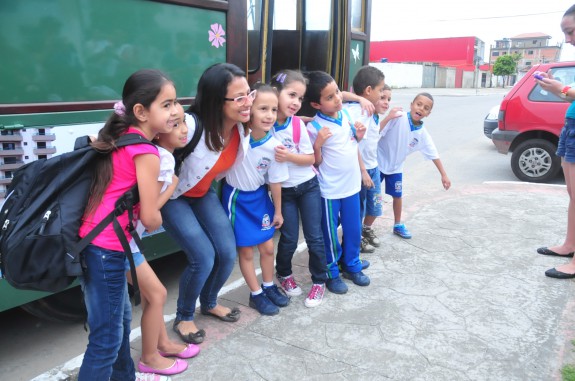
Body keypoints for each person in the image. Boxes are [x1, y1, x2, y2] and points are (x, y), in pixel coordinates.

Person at [78, 69, 178, 381]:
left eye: (176, 103)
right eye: (167, 104)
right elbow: (149, 217)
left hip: (96, 243)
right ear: (140, 112)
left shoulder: (120, 138)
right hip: (107, 248)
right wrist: (167, 194)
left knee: (118, 325)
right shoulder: (146, 152)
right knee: (106, 340)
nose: (176, 111)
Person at [161, 63, 252, 344]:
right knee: (202, 257)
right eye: (239, 98)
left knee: (226, 252)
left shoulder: (241, 128)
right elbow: (148, 138)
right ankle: (184, 317)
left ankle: (209, 302)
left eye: (249, 93)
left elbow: (283, 107)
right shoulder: (189, 126)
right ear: (216, 100)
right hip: (173, 197)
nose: (248, 102)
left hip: (203, 194)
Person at [127, 104, 199, 377]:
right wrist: (171, 186)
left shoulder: (148, 151)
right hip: (122, 242)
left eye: (184, 124)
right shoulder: (162, 158)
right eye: (177, 124)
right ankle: (148, 357)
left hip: (124, 240)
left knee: (150, 295)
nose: (184, 131)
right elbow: (150, 213)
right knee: (157, 294)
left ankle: (163, 343)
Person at [221, 84, 290, 315]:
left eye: (273, 109)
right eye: (262, 108)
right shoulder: (236, 136)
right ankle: (256, 294)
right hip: (237, 199)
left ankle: (269, 286)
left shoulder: (275, 147)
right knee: (247, 251)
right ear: (249, 109)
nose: (269, 115)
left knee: (268, 247)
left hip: (260, 199)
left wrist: (278, 211)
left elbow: (276, 181)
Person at [305, 70, 369, 295]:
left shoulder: (348, 116)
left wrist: (359, 138)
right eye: (330, 97)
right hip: (329, 191)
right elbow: (316, 162)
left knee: (353, 228)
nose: (337, 99)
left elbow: (353, 145)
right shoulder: (314, 128)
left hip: (352, 186)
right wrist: (318, 144)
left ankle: (351, 264)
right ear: (316, 104)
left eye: (337, 93)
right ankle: (331, 271)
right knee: (330, 234)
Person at [270, 70, 330, 308]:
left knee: (315, 238)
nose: (295, 102)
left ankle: (319, 281)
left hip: (308, 187)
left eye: (300, 98)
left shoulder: (296, 125)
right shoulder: (264, 124)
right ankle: (283, 274)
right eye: (291, 95)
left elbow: (310, 160)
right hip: (284, 192)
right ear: (275, 93)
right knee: (289, 239)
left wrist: (289, 156)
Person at [535, 4, 575, 278]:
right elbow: (570, 95)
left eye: (570, 32)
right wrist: (556, 87)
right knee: (573, 195)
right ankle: (569, 245)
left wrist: (560, 89)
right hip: (571, 125)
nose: (569, 39)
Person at [377, 92, 451, 240]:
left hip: (396, 168)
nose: (421, 109)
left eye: (426, 108)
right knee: (372, 196)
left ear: (428, 113)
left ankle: (397, 224)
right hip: (378, 163)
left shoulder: (422, 134)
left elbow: (434, 154)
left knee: (397, 196)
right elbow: (377, 131)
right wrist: (388, 117)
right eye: (419, 104)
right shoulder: (398, 117)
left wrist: (444, 174)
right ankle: (362, 226)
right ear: (411, 105)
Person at [344, 66, 387, 254]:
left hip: (373, 167)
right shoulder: (356, 110)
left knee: (375, 204)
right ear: (369, 91)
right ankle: (355, 238)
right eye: (380, 91)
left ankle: (364, 230)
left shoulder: (371, 110)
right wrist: (358, 98)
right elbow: (338, 94)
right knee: (358, 208)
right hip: (359, 169)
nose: (383, 95)